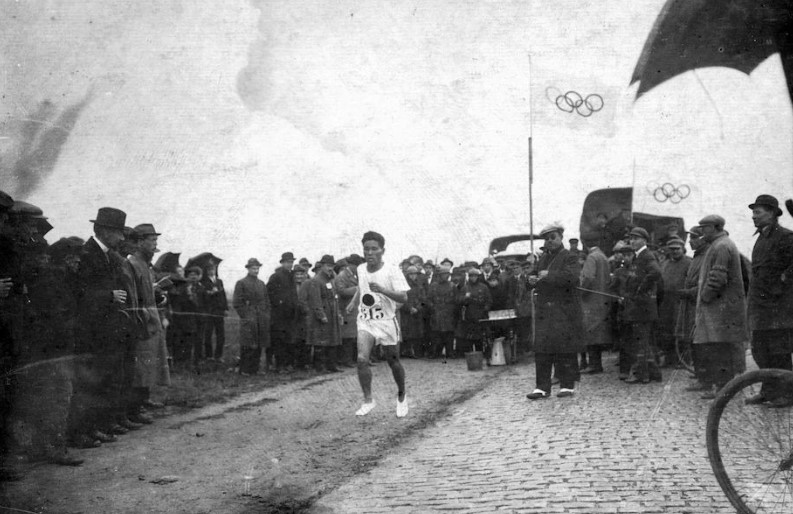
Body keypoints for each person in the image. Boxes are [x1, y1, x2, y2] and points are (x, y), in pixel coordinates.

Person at [346, 231, 410, 417]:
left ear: (383, 250)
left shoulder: (392, 270)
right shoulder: (360, 268)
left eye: (374, 249)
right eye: (366, 249)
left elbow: (404, 297)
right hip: (366, 321)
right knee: (361, 359)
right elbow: (362, 286)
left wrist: (383, 290)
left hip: (386, 321)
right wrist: (353, 301)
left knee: (393, 361)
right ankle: (368, 400)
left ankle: (401, 395)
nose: (370, 253)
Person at [691, 215, 747, 400]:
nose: (701, 232)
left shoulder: (721, 246)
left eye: (704, 227)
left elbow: (717, 278)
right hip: (720, 307)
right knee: (721, 347)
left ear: (715, 227)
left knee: (720, 348)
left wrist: (705, 297)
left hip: (720, 309)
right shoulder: (719, 244)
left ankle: (723, 388)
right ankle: (724, 386)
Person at [526, 224, 584, 400]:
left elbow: (571, 278)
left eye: (553, 237)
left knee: (564, 348)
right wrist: (531, 280)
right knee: (542, 349)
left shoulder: (570, 256)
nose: (549, 241)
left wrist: (547, 276)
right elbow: (535, 278)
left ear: (561, 238)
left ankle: (567, 385)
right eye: (546, 238)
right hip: (544, 311)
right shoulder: (542, 258)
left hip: (564, 311)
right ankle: (542, 387)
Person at [746, 194, 793, 406]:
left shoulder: (785, 237)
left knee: (779, 351)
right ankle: (768, 390)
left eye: (758, 212)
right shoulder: (760, 238)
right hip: (761, 305)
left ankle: (788, 393)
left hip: (778, 306)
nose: (753, 216)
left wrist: (781, 283)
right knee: (760, 351)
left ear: (772, 213)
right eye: (753, 212)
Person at [126, 224, 170, 424]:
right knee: (141, 366)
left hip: (151, 321)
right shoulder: (133, 263)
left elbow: (146, 292)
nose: (155, 244)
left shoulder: (145, 265)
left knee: (149, 363)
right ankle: (135, 408)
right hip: (143, 322)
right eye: (151, 240)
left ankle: (143, 401)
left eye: (156, 240)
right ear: (139, 241)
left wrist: (158, 294)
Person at [622, 227, 664, 384]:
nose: (632, 241)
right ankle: (652, 373)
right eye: (631, 239)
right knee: (643, 342)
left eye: (635, 238)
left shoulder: (647, 256)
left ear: (644, 241)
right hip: (638, 307)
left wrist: (640, 291)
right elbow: (633, 279)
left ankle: (642, 375)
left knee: (641, 342)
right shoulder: (637, 257)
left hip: (643, 308)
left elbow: (655, 273)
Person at [675, 227, 710, 390]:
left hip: (698, 305)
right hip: (690, 305)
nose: (690, 241)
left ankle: (704, 378)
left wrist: (689, 292)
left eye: (694, 237)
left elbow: (705, 283)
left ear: (702, 239)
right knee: (693, 340)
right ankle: (699, 373)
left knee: (699, 342)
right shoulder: (697, 256)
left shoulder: (706, 256)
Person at [656, 237, 691, 367]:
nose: (675, 251)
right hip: (666, 302)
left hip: (680, 301)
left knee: (681, 330)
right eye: (672, 249)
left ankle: (683, 360)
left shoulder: (689, 263)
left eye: (677, 249)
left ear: (683, 249)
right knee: (666, 330)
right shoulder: (665, 264)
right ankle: (669, 358)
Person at [233, 258, 271, 375]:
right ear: (248, 269)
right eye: (253, 268)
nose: (256, 271)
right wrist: (246, 315)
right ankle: (245, 369)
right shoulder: (242, 283)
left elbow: (267, 301)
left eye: (257, 268)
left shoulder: (261, 284)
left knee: (259, 343)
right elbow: (237, 303)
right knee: (248, 344)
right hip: (249, 318)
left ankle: (255, 368)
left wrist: (266, 314)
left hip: (261, 317)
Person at [305, 255, 343, 372]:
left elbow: (335, 297)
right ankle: (320, 367)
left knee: (332, 340)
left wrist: (338, 313)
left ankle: (331, 365)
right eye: (328, 266)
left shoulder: (331, 279)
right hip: (323, 314)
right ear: (322, 266)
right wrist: (321, 315)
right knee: (321, 341)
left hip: (332, 313)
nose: (330, 268)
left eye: (332, 266)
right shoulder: (316, 280)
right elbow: (315, 300)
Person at [579, 245, 612, 374]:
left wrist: (580, 292)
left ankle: (594, 364)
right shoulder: (603, 256)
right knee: (597, 332)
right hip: (602, 298)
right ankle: (595, 363)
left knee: (590, 330)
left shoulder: (592, 257)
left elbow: (588, 277)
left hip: (591, 299)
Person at [267, 252, 299, 372]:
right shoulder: (276, 276)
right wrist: (278, 302)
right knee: (279, 341)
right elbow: (269, 292)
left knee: (289, 340)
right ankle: (279, 365)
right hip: (279, 315)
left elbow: (293, 293)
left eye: (291, 262)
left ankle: (287, 364)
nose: (290, 264)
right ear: (282, 263)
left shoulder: (292, 276)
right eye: (287, 262)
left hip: (290, 315)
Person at [335, 254, 363, 367]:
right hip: (347, 310)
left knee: (355, 336)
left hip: (356, 310)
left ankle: (353, 359)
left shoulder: (357, 275)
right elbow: (341, 291)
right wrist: (357, 289)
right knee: (347, 337)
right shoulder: (342, 276)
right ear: (352, 265)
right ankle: (346, 360)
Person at [200, 261, 228, 362]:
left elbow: (223, 295)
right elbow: (203, 297)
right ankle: (209, 355)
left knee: (221, 334)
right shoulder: (203, 282)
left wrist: (225, 308)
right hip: (209, 311)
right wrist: (211, 293)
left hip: (219, 311)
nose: (212, 271)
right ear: (206, 271)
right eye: (210, 269)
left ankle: (218, 355)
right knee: (208, 333)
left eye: (213, 269)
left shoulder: (219, 281)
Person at [427, 264, 456, 359]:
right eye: (443, 274)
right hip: (436, 313)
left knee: (449, 334)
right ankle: (435, 352)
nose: (445, 276)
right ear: (439, 275)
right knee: (436, 334)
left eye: (447, 274)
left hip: (449, 314)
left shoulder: (452, 286)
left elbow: (456, 299)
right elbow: (428, 299)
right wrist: (433, 307)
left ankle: (450, 352)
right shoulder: (433, 286)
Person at [400, 266, 426, 358]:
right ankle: (406, 351)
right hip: (406, 312)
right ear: (407, 275)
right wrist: (409, 308)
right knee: (406, 332)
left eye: (415, 274)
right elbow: (401, 299)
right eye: (411, 274)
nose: (413, 276)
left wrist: (417, 308)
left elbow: (423, 300)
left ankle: (416, 352)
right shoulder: (403, 285)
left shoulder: (420, 286)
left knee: (417, 333)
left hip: (417, 313)